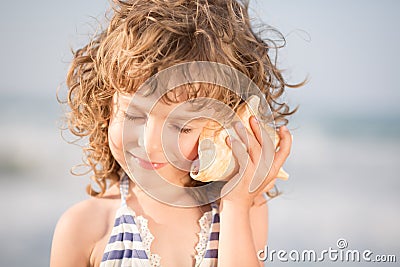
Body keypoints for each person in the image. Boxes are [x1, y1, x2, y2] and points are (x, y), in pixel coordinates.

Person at [50, 0, 301, 266]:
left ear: (221, 125)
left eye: (181, 126)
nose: (150, 144)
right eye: (134, 115)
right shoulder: (84, 226)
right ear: (106, 104)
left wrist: (236, 205)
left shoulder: (244, 209)